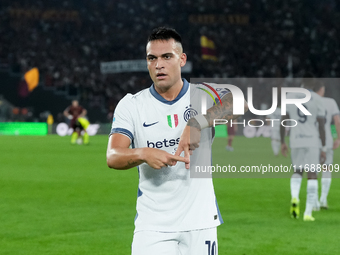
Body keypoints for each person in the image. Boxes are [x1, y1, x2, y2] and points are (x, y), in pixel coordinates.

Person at [106, 27, 247, 255]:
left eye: (166, 57)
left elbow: (240, 103)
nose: (158, 64)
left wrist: (198, 123)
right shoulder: (131, 104)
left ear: (182, 59)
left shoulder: (203, 94)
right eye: (152, 58)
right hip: (152, 225)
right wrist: (143, 153)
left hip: (200, 222)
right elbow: (113, 156)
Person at [280, 78, 326, 221]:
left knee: (297, 171)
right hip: (312, 141)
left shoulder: (290, 97)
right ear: (313, 85)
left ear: (301, 84)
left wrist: (282, 142)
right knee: (312, 174)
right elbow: (321, 124)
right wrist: (323, 146)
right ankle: (307, 213)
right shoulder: (318, 99)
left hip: (296, 140)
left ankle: (295, 197)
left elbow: (283, 120)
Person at [313, 83, 340, 209]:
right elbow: (337, 121)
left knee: (312, 170)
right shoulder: (330, 102)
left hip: (311, 139)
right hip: (327, 139)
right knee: (326, 168)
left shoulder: (308, 101)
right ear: (322, 89)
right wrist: (339, 138)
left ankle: (314, 202)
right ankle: (323, 199)